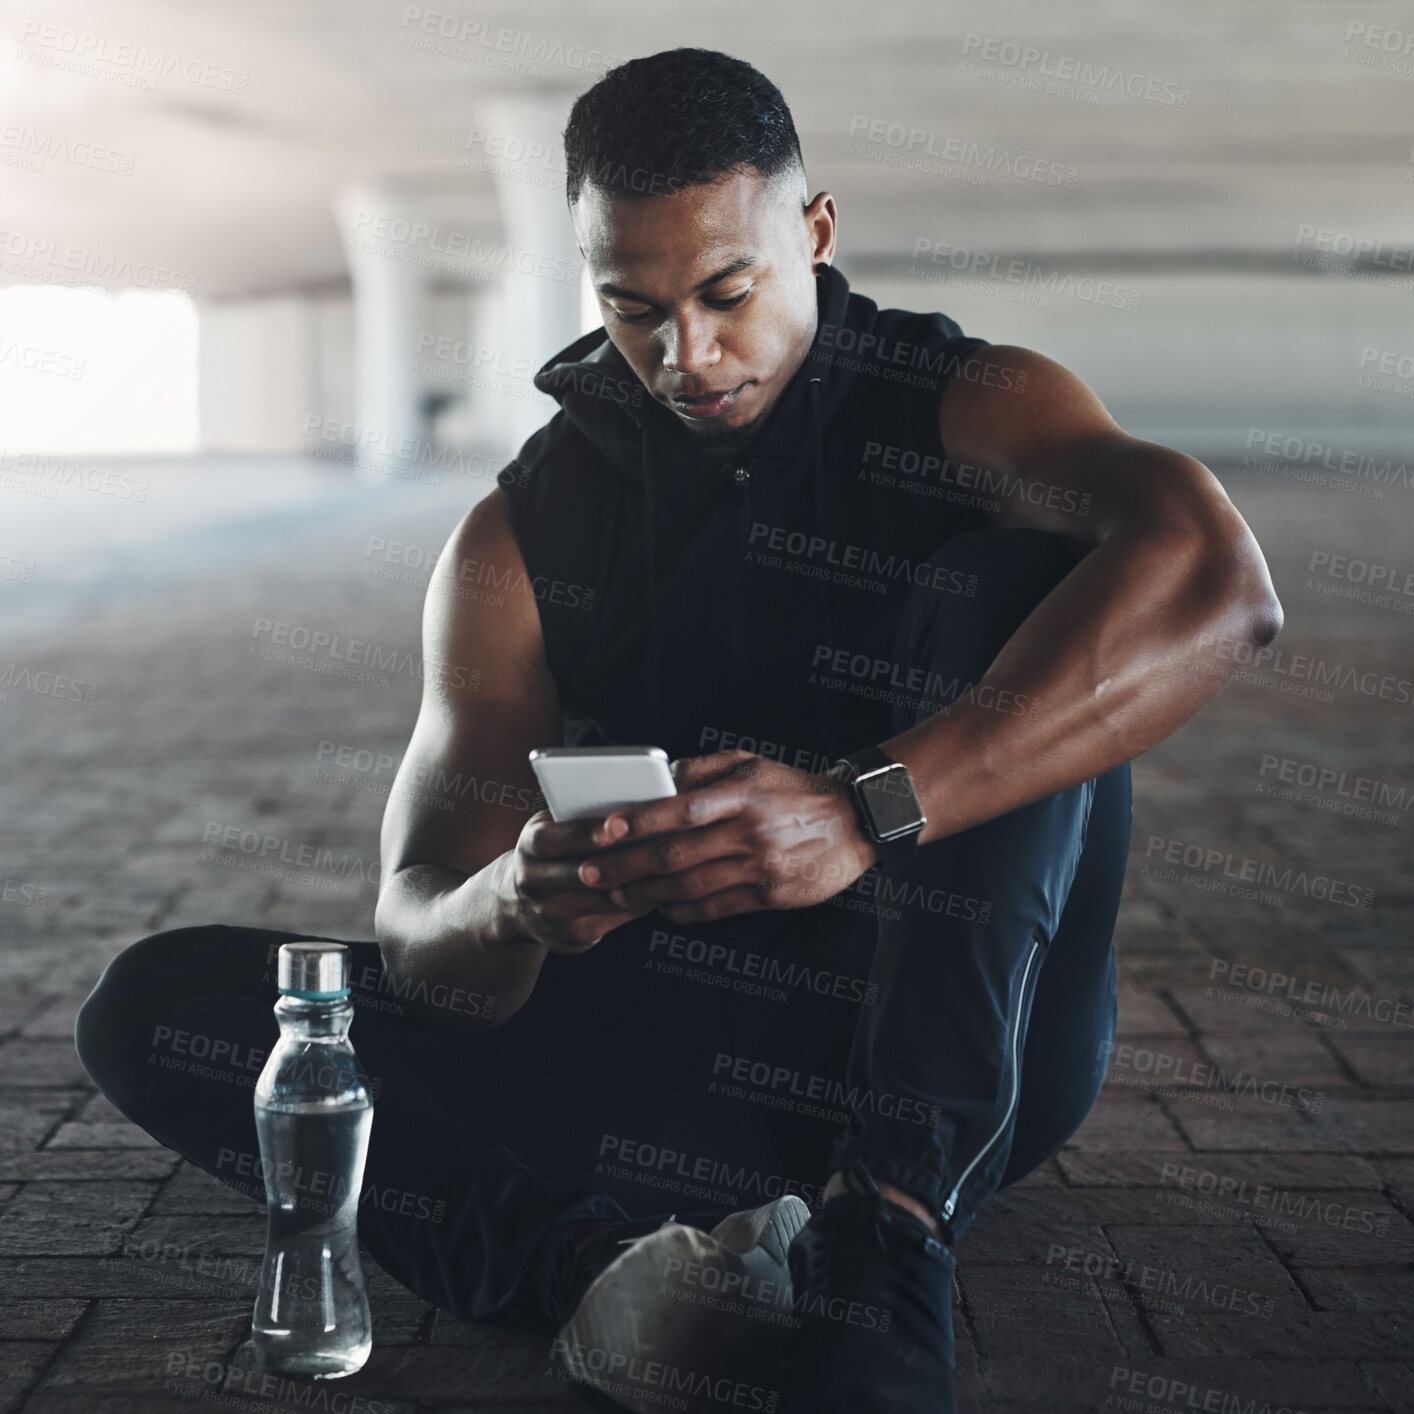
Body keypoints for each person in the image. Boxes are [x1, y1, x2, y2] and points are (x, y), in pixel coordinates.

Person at [76, 47, 1283, 1414]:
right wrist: (517, 903)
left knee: (1008, 577)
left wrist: (858, 811)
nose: (684, 354)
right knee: (163, 1003)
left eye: (726, 293)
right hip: (674, 1069)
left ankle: (885, 1230)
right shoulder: (519, 535)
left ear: (812, 235)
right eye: (631, 306)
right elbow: (420, 927)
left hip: (948, 1042)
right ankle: (616, 1283)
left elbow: (1217, 580)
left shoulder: (962, 401)